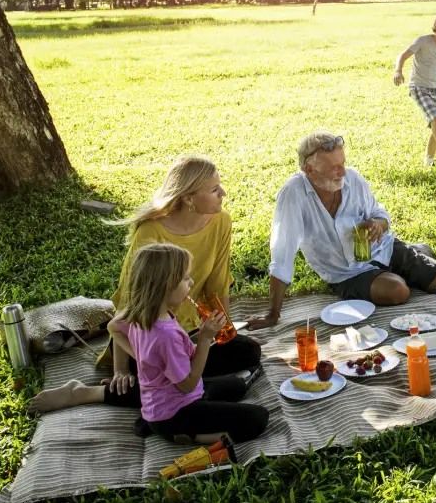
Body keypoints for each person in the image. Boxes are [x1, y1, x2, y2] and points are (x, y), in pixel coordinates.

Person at [30, 156, 262, 415]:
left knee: (248, 351)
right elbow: (131, 303)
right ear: (188, 199)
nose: (223, 193)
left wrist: (224, 331)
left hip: (193, 336)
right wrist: (120, 370)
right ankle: (91, 392)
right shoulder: (151, 233)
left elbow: (217, 286)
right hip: (149, 336)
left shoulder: (221, 222)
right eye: (214, 189)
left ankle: (190, 386)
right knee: (163, 379)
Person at [246, 131, 436, 329]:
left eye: (343, 163)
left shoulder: (353, 179)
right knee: (398, 291)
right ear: (309, 170)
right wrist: (272, 314)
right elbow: (282, 254)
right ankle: (413, 260)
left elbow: (379, 213)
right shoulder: (293, 195)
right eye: (334, 167)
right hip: (346, 272)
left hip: (384, 248)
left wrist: (377, 224)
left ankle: (414, 255)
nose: (343, 171)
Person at [108, 243, 267, 443]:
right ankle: (186, 435)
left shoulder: (144, 314)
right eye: (185, 278)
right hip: (176, 412)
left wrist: (142, 357)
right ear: (166, 285)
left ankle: (152, 422)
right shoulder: (165, 336)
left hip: (164, 401)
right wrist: (205, 339)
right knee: (258, 418)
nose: (191, 283)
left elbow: (113, 327)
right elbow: (188, 384)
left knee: (236, 386)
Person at [393, 11, 436, 171]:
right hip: (419, 87)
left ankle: (428, 162)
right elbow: (403, 55)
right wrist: (398, 70)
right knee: (435, 120)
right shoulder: (423, 41)